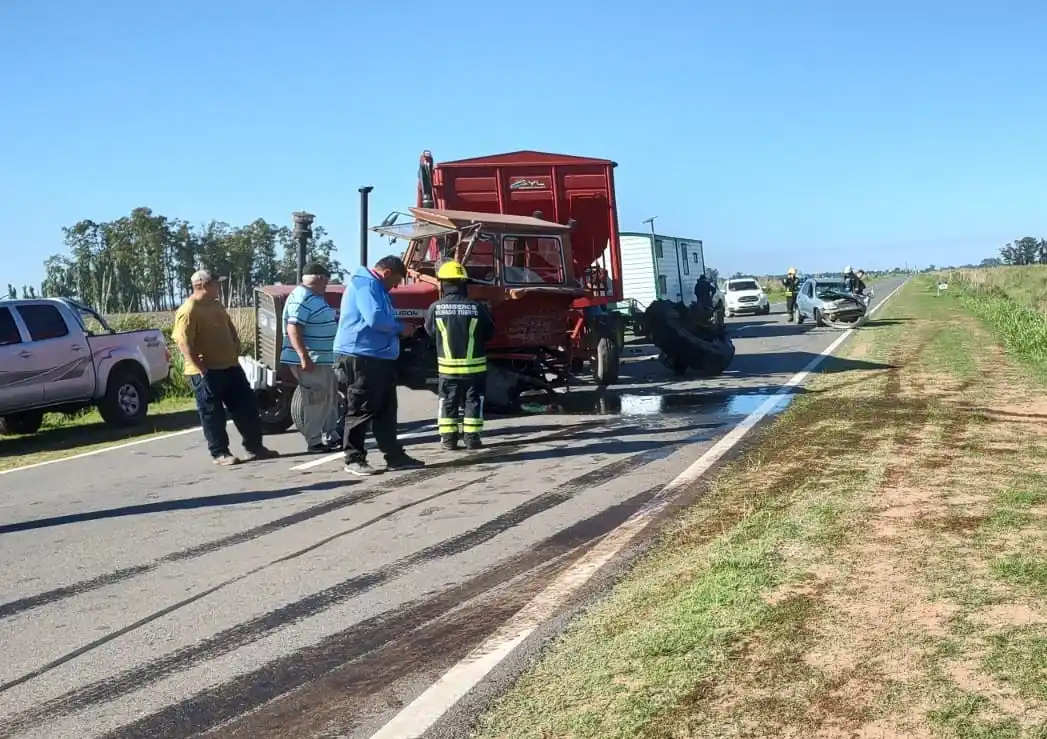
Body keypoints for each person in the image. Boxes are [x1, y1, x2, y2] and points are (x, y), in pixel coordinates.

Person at [172, 269, 278, 466]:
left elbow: (229, 328)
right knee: (213, 414)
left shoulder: (216, 305)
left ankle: (255, 447)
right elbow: (183, 343)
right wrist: (202, 369)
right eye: (215, 283)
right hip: (207, 371)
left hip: (230, 366)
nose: (219, 286)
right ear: (203, 285)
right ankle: (220, 453)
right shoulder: (189, 310)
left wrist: (236, 347)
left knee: (247, 407)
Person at [334, 255, 425, 476]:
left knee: (385, 409)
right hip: (360, 356)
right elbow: (374, 318)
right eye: (394, 281)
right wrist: (400, 328)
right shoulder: (365, 284)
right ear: (386, 272)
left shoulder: (376, 288)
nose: (394, 287)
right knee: (362, 408)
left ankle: (394, 455)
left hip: (377, 357)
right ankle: (354, 457)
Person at [424, 260, 495, 451]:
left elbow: (430, 333)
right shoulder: (477, 308)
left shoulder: (435, 308)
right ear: (463, 284)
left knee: (448, 402)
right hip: (475, 368)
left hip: (448, 369)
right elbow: (490, 333)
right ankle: (472, 439)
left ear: (443, 284)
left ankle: (449, 440)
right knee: (473, 401)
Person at [281, 262, 340, 453]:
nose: (326, 285)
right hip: (311, 360)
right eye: (326, 281)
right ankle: (314, 441)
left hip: (323, 359)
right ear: (321, 279)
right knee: (316, 400)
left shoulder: (313, 297)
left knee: (329, 398)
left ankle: (331, 435)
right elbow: (293, 327)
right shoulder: (302, 297)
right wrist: (304, 357)